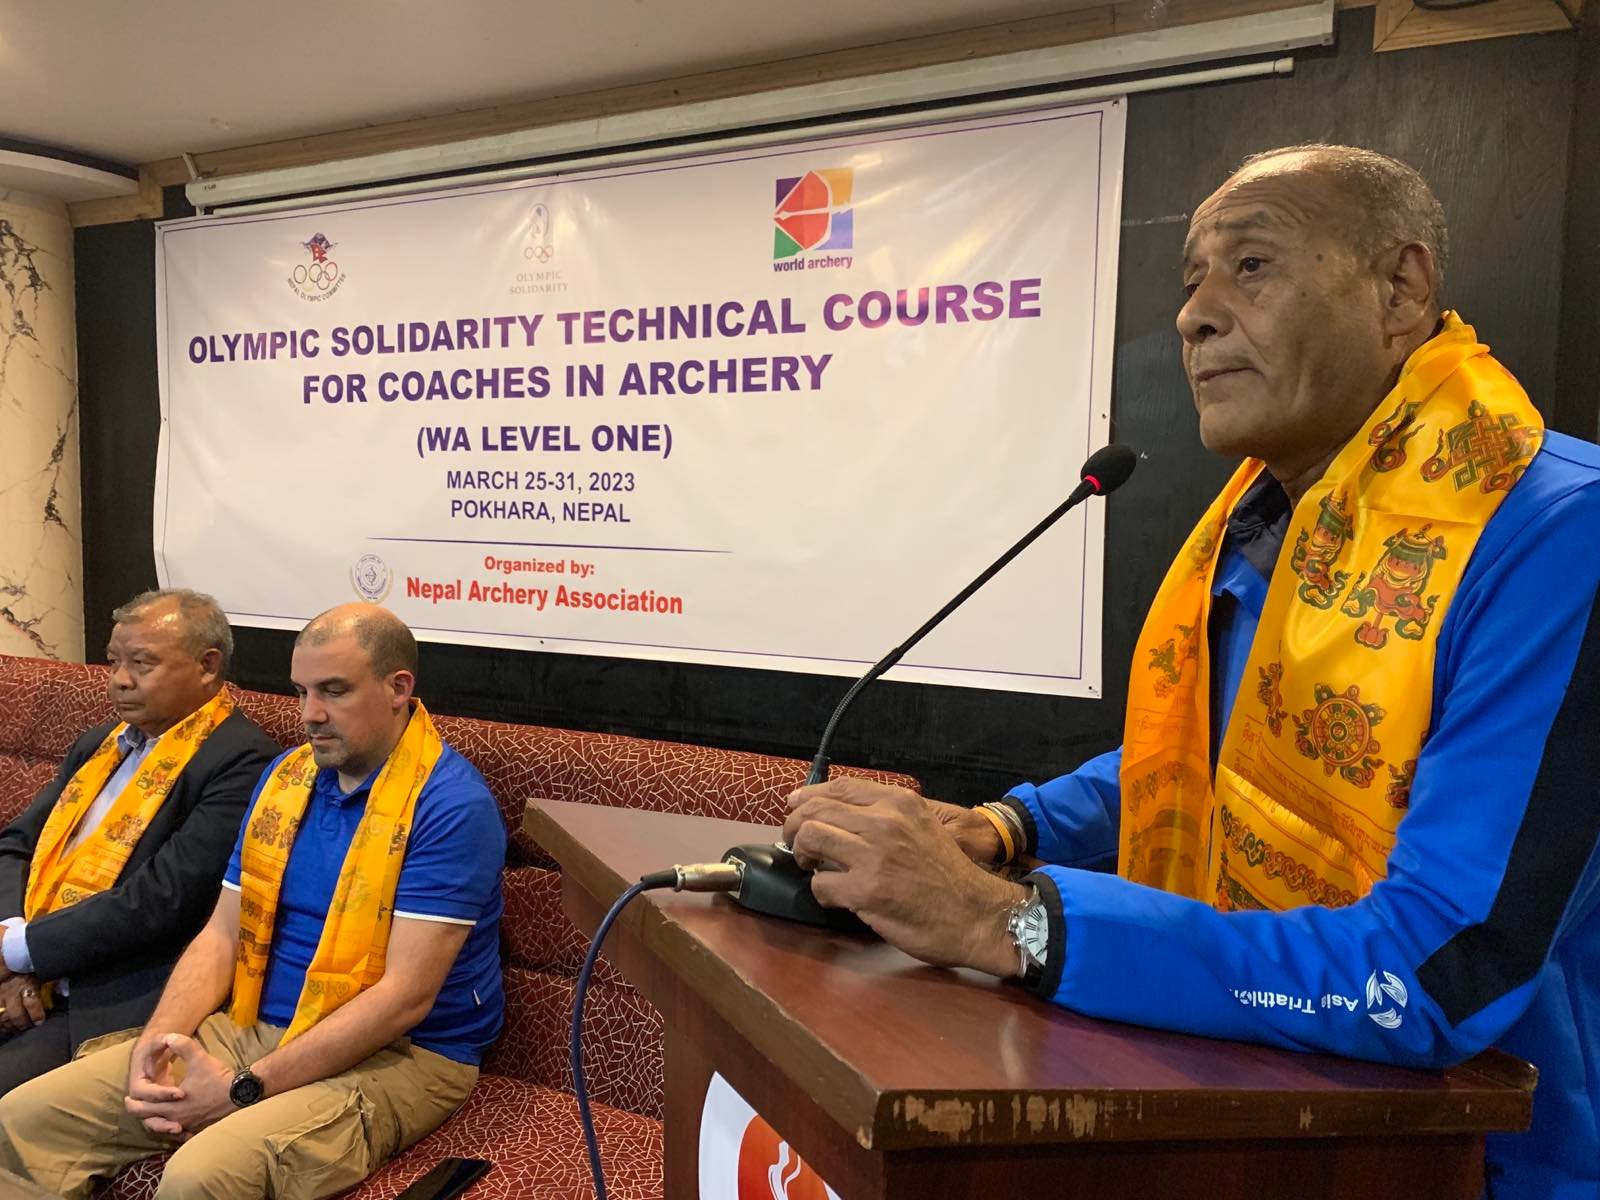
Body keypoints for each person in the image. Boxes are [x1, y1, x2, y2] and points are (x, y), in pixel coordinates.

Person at [782, 145, 1600, 1197]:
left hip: (1480, 1160)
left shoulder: (1556, 537)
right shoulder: (1265, 527)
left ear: (1399, 289)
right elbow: (1210, 764)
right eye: (1190, 282)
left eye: (1251, 266)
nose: (1194, 316)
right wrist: (1002, 829)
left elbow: (1440, 971)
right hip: (1247, 1117)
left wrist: (1007, 921)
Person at [0, 603, 507, 1200]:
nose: (310, 714)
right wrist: (155, 1044)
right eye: (301, 692)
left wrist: (242, 1087)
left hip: (402, 1055)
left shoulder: (451, 806)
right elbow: (221, 935)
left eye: (334, 691)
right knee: (24, 1120)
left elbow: (404, 998)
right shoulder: (286, 777)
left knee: (200, 1177)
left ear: (398, 688)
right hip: (254, 1021)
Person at [0, 589, 277, 1095]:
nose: (120, 680)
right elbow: (16, 844)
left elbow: (164, 899)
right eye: (114, 662)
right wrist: (11, 943)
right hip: (27, 964)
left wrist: (24, 952)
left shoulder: (242, 761)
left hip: (104, 994)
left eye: (142, 664)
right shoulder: (101, 743)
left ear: (208, 666)